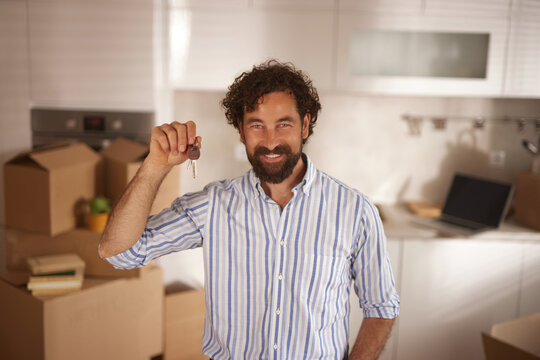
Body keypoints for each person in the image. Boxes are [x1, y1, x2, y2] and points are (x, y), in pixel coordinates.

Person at [99, 60, 400, 360]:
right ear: (241, 130)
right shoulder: (213, 206)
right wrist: (154, 166)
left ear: (305, 124)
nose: (270, 142)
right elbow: (120, 252)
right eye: (257, 125)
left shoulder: (355, 211)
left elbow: (381, 307)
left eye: (283, 124)